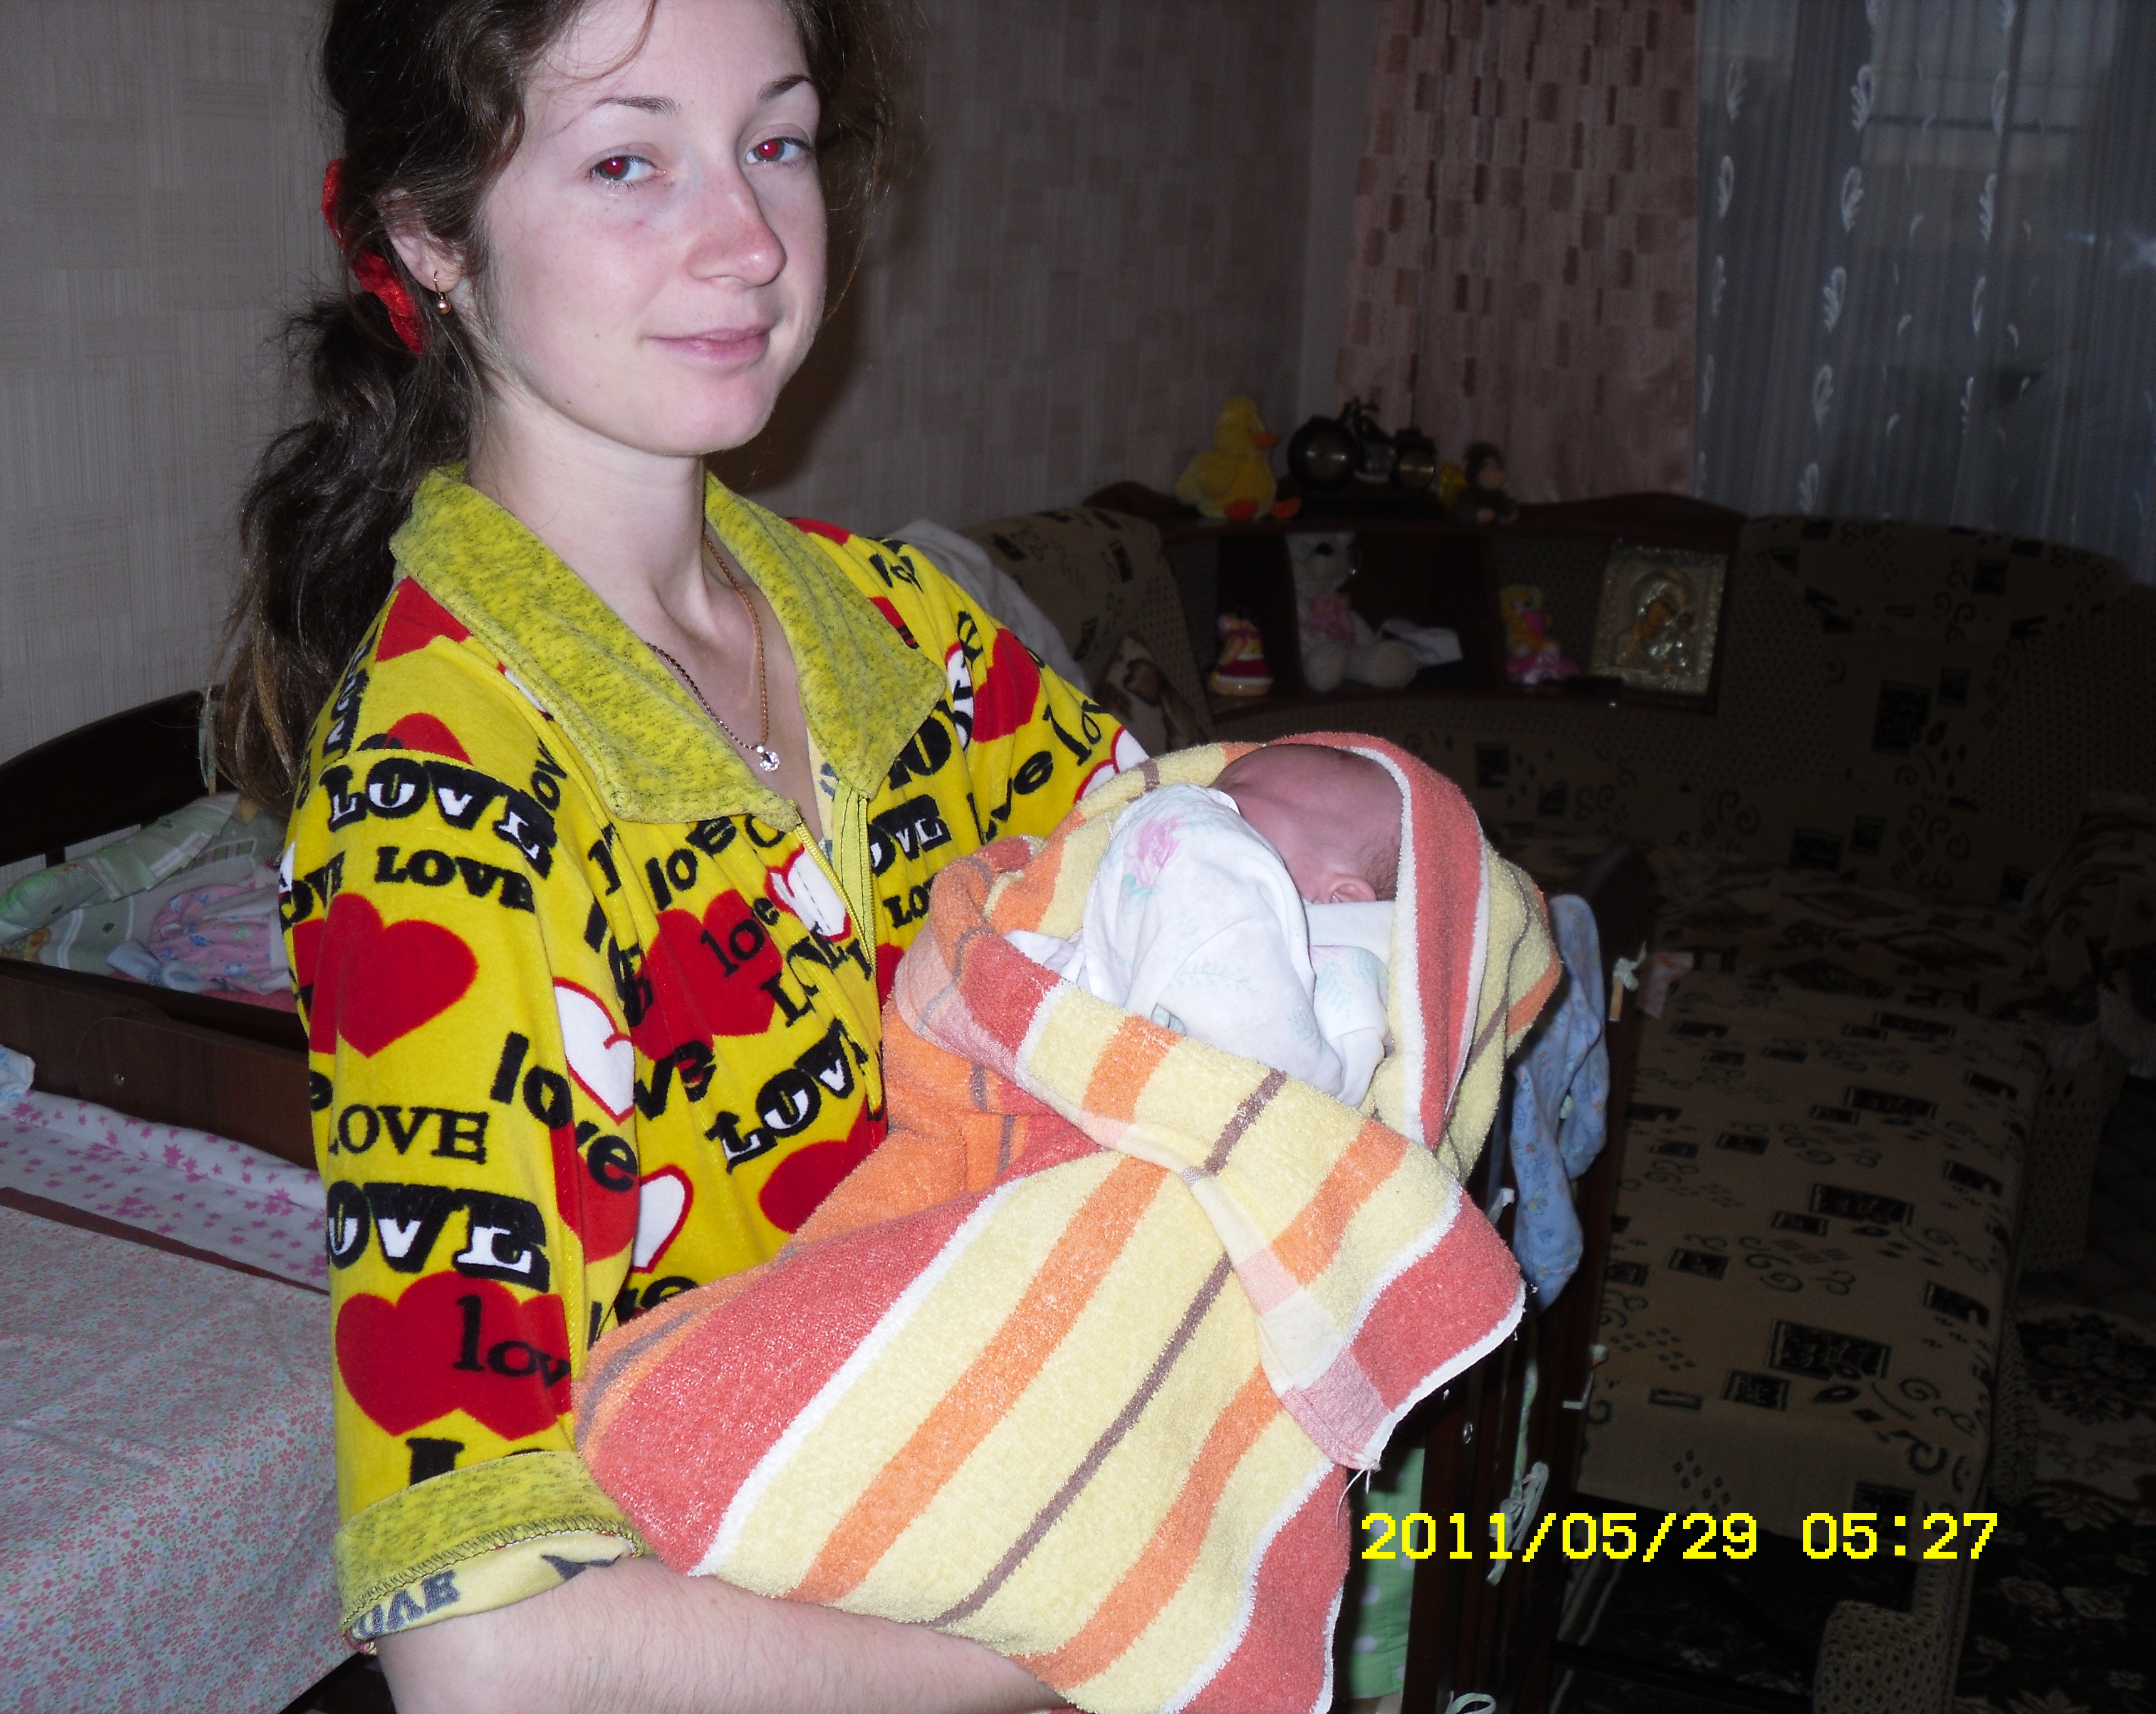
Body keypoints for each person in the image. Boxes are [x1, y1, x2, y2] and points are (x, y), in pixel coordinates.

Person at [211, 1, 1135, 1709]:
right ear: (432, 237)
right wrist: (1091, 1633)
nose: (752, 240)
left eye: (774, 142)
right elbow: (484, 1648)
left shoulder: (902, 628)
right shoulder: (444, 791)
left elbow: (1200, 897)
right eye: (629, 162)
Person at [1007, 742, 1402, 1104]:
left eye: (1235, 802)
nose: (1208, 800)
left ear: (1341, 898)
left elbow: (1286, 1084)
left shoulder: (1352, 971)